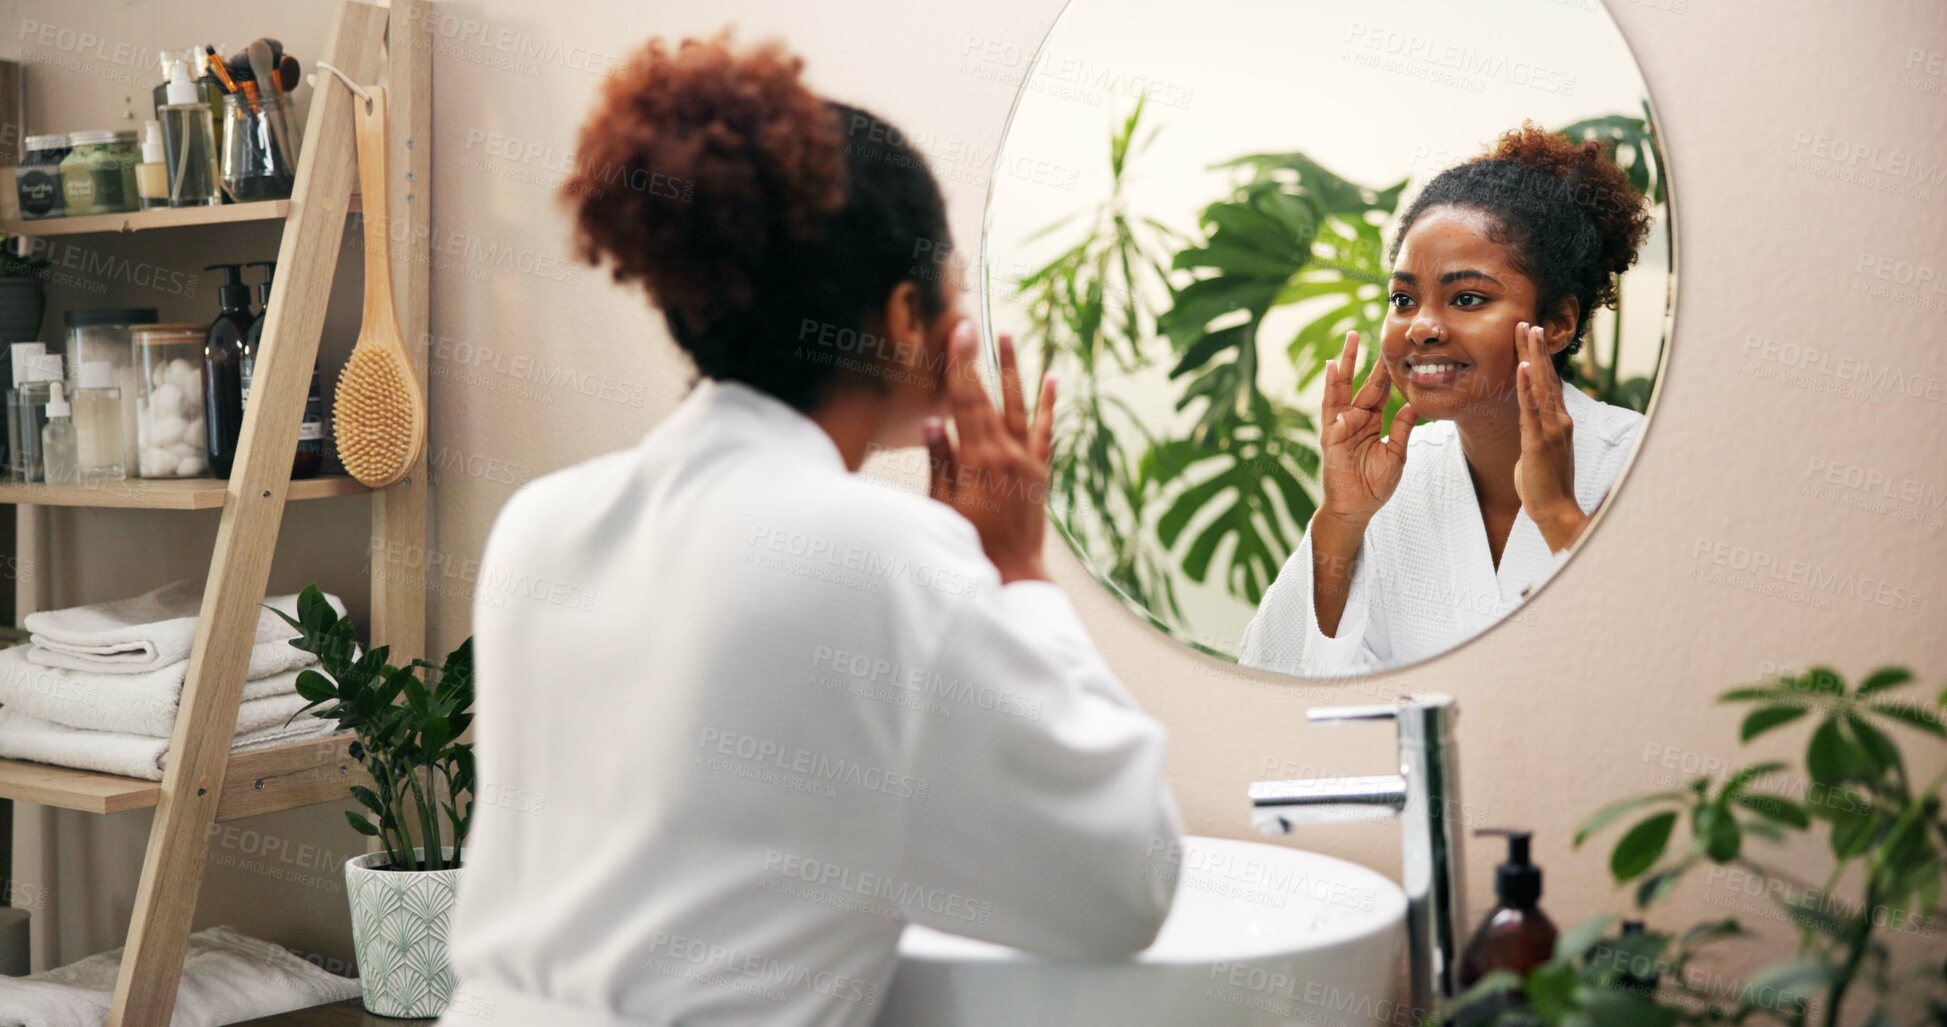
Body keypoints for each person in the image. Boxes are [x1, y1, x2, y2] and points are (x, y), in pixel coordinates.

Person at [433, 30, 1183, 1027]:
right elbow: (1126, 883)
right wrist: (1018, 568)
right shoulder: (880, 555)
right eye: (952, 284)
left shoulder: (542, 523)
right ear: (908, 314)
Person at [1239, 124, 1652, 677]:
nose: (1422, 328)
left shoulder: (1638, 460)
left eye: (1467, 298)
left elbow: (1666, 668)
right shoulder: (1398, 483)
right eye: (1403, 299)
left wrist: (1555, 513)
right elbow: (1276, 678)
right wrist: (1344, 515)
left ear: (1557, 324)